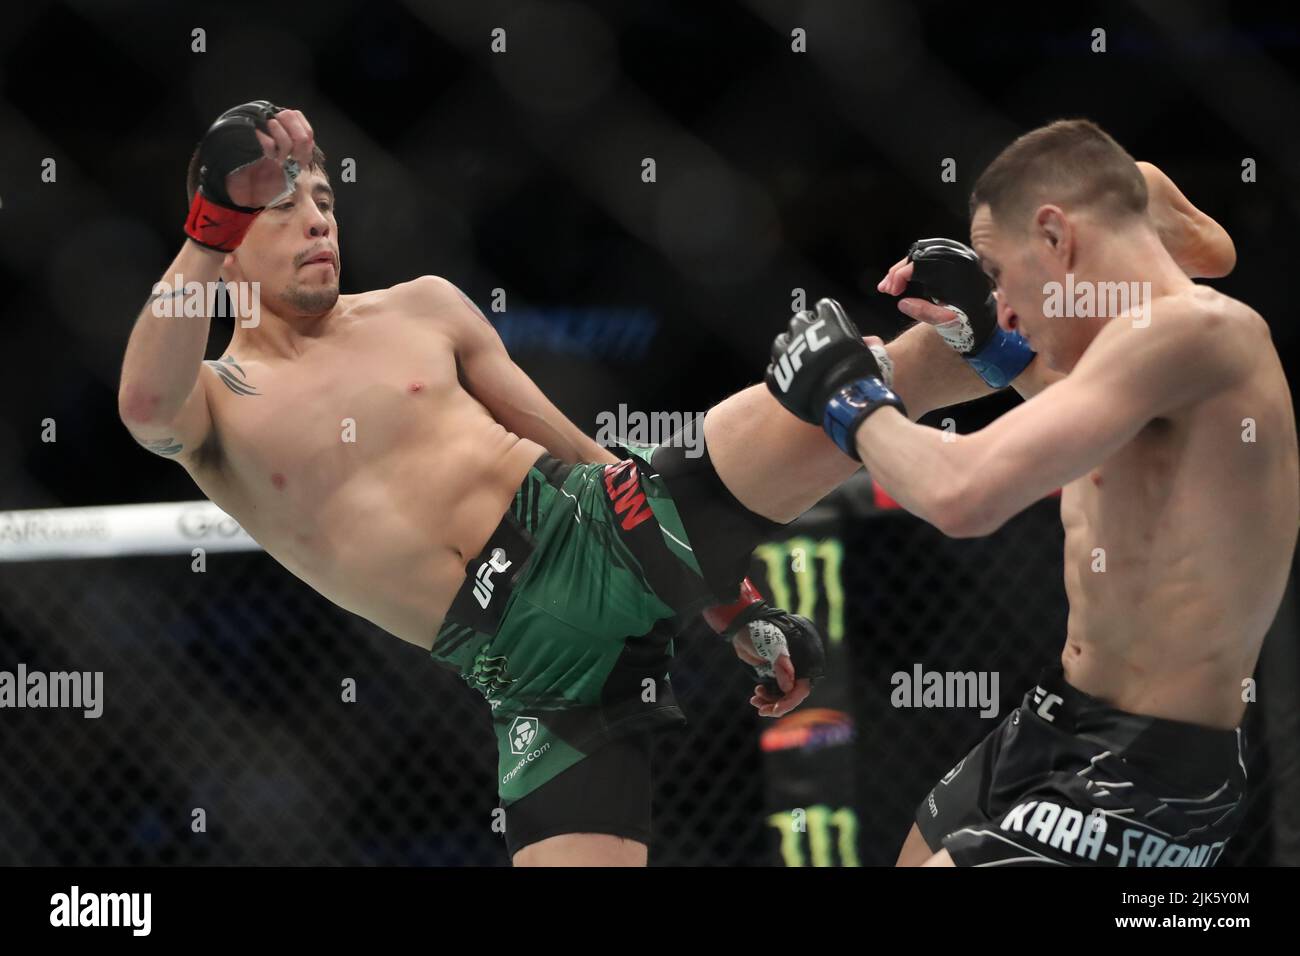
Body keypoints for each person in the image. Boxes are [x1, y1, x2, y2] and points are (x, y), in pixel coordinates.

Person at [118, 101, 855, 866]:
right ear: (227, 239)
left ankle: (978, 334)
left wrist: (734, 608)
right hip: (526, 675)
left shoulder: (423, 308)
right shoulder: (217, 402)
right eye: (282, 205)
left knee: (843, 376)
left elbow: (572, 445)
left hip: (589, 532)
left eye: (325, 201)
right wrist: (208, 222)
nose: (317, 221)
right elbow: (142, 406)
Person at [765, 119, 1296, 866]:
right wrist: (986, 340)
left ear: (1056, 235)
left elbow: (964, 494)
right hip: (1057, 715)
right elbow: (1211, 250)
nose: (1003, 304)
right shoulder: (1139, 351)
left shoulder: (1197, 333)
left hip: (1154, 767)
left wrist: (842, 391)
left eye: (999, 273)